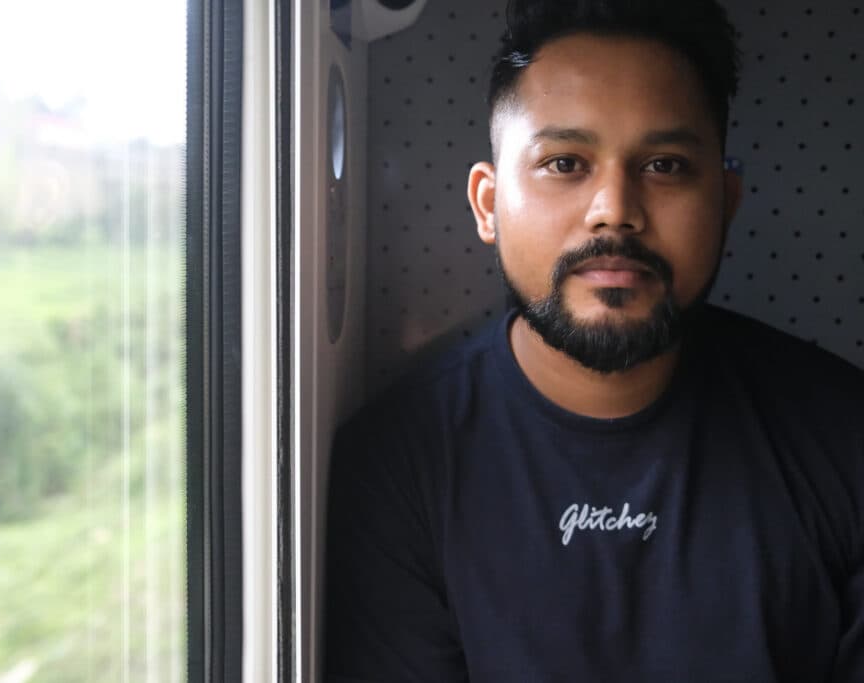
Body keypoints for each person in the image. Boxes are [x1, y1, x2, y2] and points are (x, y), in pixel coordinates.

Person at [323, 1, 864, 681]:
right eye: (565, 163)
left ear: (725, 202)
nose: (615, 208)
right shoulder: (398, 468)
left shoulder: (844, 436)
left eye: (665, 165)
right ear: (488, 205)